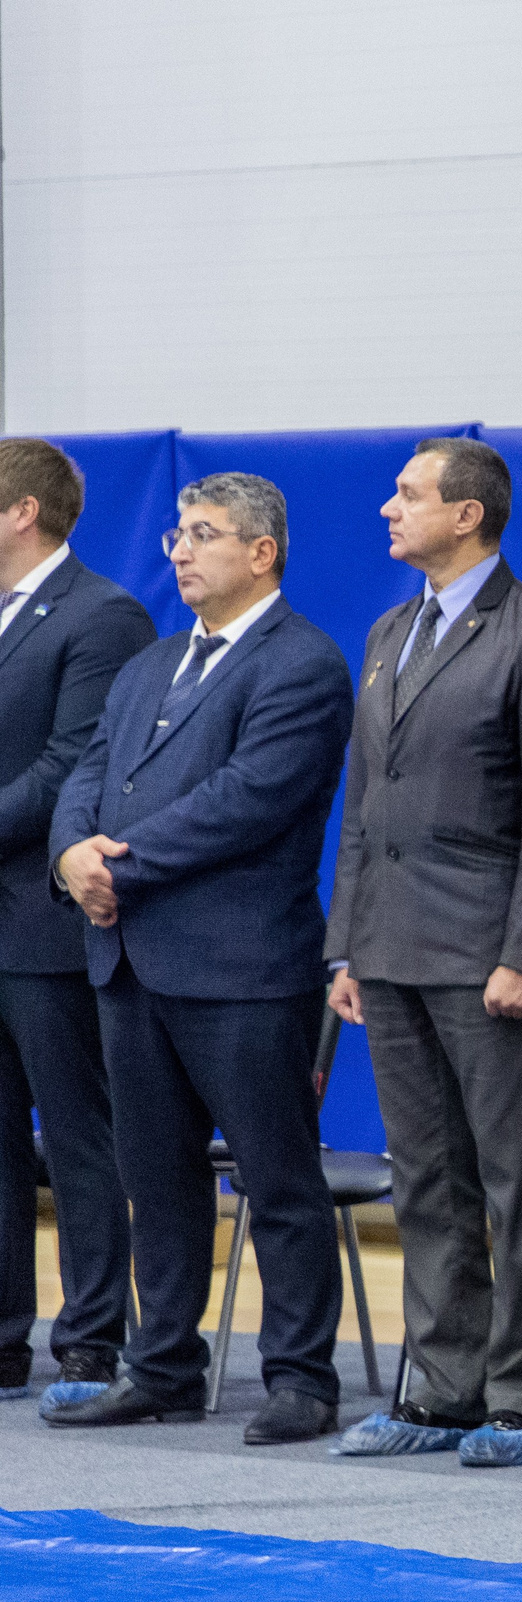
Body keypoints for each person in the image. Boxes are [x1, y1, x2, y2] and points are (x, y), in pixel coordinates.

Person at [47, 473, 355, 1445]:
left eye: (202, 535)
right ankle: (165, 1365)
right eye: (176, 534)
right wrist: (70, 856)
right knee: (159, 1176)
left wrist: (117, 865)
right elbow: (89, 774)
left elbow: (251, 798)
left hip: (243, 969)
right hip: (131, 963)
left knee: (279, 1181)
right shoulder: (149, 665)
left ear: (261, 553)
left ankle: (301, 1377)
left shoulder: (301, 663)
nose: (178, 550)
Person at [324, 439, 522, 1467]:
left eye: (408, 495)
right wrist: (345, 943)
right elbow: (365, 804)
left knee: (512, 1179)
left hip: (485, 953)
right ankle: (441, 1388)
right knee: (424, 1179)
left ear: (469, 515)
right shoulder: (390, 630)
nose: (389, 509)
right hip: (389, 951)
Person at [0, 440, 156, 1408]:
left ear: (22, 511)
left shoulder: (104, 615)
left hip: (47, 926)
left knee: (80, 1141)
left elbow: (72, 768)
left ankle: (91, 1340)